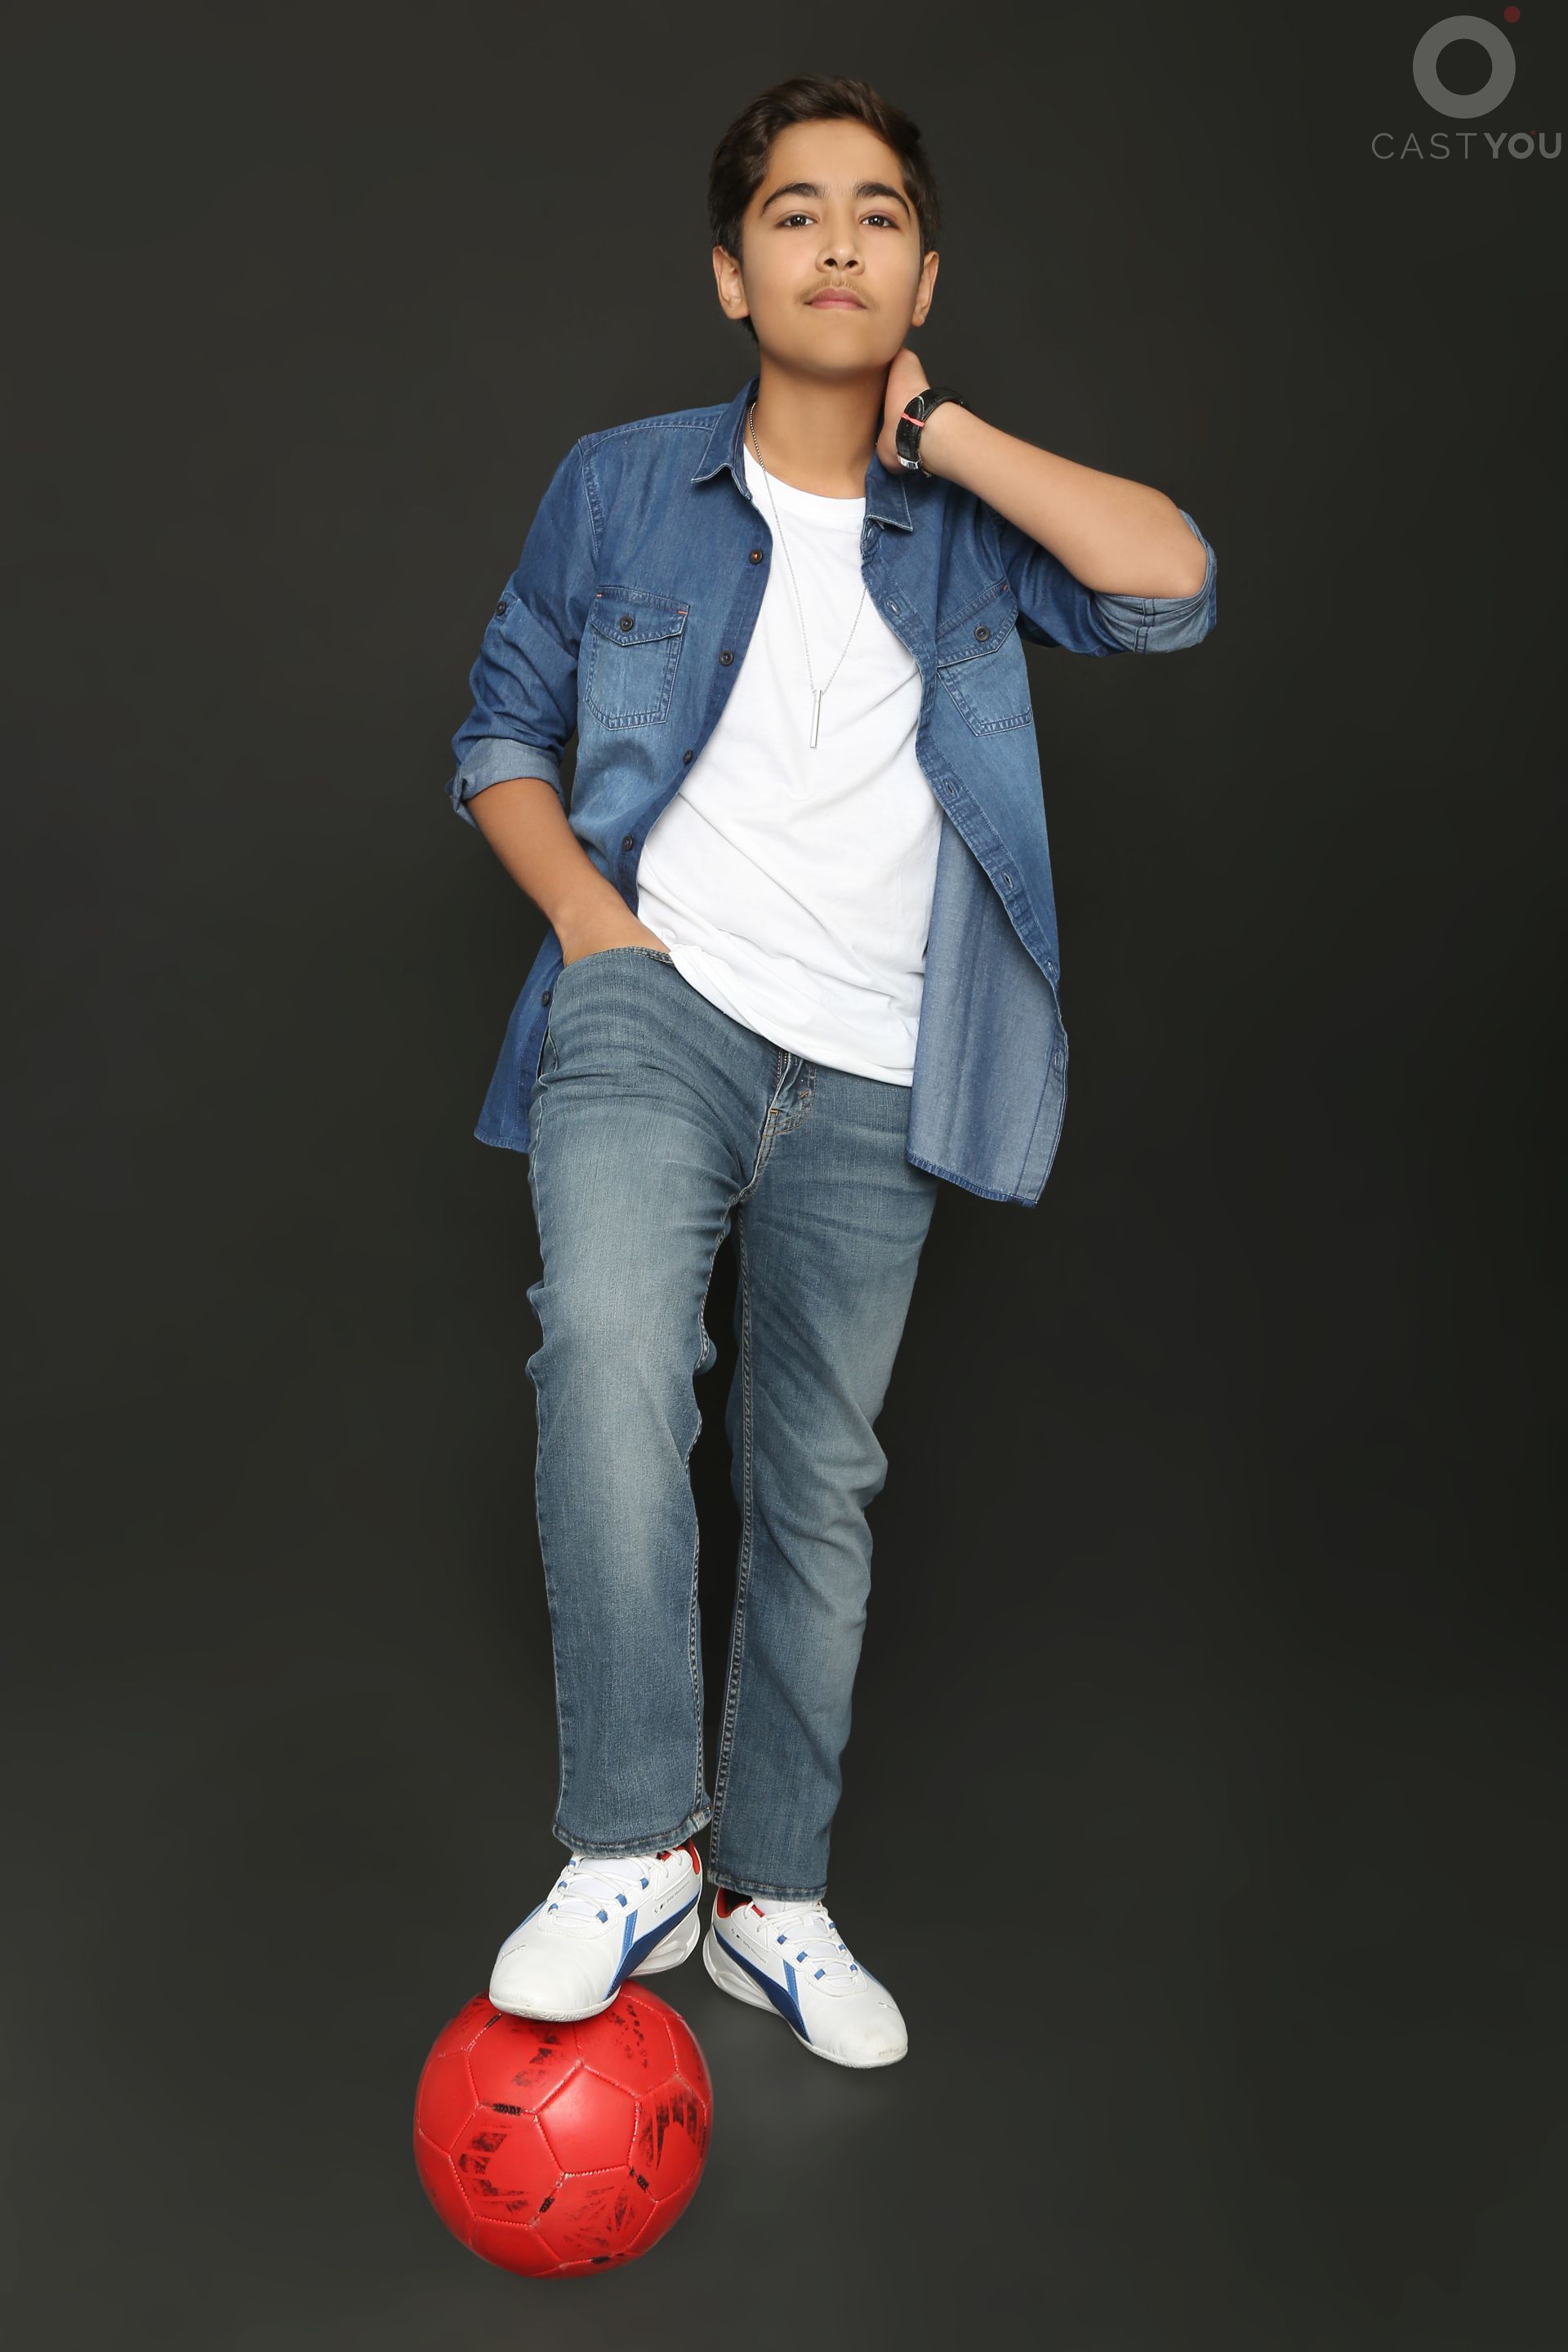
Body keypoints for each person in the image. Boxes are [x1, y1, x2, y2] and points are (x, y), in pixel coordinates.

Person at [445, 74, 1218, 2069]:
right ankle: (635, 1845)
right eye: (797, 213)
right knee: (609, 1352)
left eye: (881, 215)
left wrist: (940, 435)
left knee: (819, 1486)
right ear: (733, 273)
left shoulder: (967, 525)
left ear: (923, 277)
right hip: (660, 1008)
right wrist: (595, 927)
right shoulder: (622, 486)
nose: (841, 242)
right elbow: (501, 730)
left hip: (882, 1067)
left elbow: (1171, 583)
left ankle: (770, 1894)